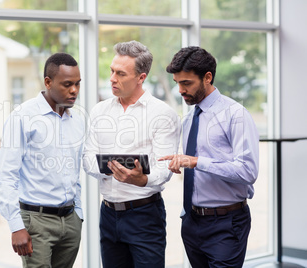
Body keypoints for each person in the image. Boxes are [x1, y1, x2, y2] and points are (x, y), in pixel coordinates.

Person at [83, 40, 181, 268]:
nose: (112, 79)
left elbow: (164, 166)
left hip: (144, 215)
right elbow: (88, 158)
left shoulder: (163, 114)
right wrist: (111, 167)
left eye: (120, 73)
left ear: (141, 77)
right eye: (111, 71)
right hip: (108, 213)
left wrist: (142, 179)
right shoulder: (99, 111)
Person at [160, 46, 259, 268]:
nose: (180, 90)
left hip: (226, 224)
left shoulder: (236, 115)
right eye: (177, 83)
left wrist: (196, 162)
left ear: (207, 77)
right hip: (192, 223)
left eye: (186, 83)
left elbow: (248, 171)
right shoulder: (189, 119)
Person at [0, 52, 84, 268]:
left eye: (78, 84)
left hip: (70, 221)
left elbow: (74, 171)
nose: (74, 90)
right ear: (48, 82)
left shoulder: (77, 120)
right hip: (37, 222)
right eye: (67, 84)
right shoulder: (23, 117)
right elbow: (6, 176)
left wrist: (78, 215)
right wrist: (16, 226)